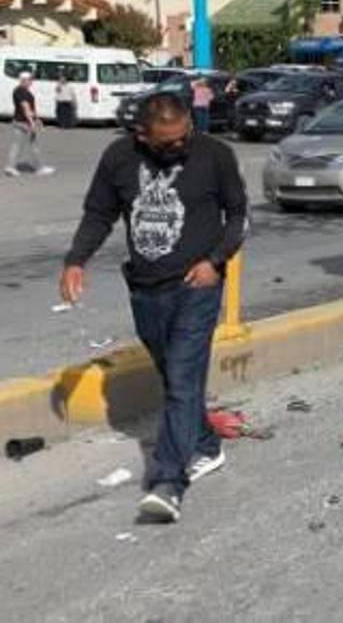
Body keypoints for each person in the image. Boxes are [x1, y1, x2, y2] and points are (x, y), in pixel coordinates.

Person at [60, 92, 248, 522]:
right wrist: (76, 259)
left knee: (182, 379)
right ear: (141, 134)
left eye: (185, 138)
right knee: (174, 376)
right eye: (168, 144)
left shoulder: (214, 154)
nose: (180, 148)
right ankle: (206, 445)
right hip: (146, 288)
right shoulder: (118, 158)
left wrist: (214, 261)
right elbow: (98, 214)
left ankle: (168, 483)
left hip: (197, 287)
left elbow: (239, 216)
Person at [5, 71, 53, 177]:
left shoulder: (18, 90)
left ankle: (10, 167)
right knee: (33, 145)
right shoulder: (23, 92)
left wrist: (37, 118)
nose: (32, 82)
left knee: (17, 145)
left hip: (18, 121)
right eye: (30, 80)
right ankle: (40, 168)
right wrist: (32, 122)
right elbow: (26, 107)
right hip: (24, 123)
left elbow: (29, 108)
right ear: (24, 80)